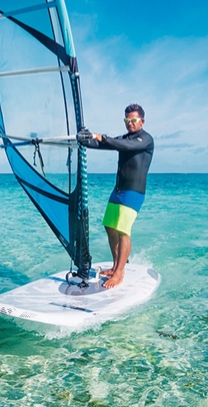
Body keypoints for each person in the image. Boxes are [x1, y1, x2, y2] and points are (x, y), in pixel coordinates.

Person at [77, 104, 154, 288]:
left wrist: (102, 136)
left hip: (133, 191)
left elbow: (123, 145)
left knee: (123, 230)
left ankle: (119, 273)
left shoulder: (145, 139)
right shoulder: (124, 138)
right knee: (110, 227)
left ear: (142, 121)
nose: (130, 123)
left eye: (133, 120)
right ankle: (115, 266)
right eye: (127, 120)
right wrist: (85, 139)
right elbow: (105, 144)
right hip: (118, 190)